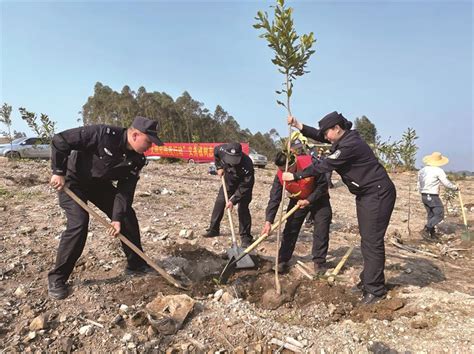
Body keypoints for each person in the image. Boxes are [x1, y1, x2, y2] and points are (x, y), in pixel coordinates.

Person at [283, 111, 396, 304]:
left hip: (376, 194)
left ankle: (375, 290)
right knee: (368, 239)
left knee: (372, 241)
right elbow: (320, 135)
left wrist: (296, 176)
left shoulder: (350, 145)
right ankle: (369, 280)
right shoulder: (344, 138)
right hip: (366, 194)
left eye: (327, 132)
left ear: (337, 128)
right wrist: (298, 125)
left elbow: (324, 165)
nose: (325, 137)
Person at [48, 116, 164, 300]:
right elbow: (60, 140)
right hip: (73, 181)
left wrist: (116, 218)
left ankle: (136, 264)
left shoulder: (137, 160)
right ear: (135, 135)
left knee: (127, 216)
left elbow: (125, 192)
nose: (150, 147)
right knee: (79, 223)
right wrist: (58, 171)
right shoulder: (102, 134)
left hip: (98, 185)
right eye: (148, 141)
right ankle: (58, 278)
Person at [262, 150, 332, 274]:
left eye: (286, 169)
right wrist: (268, 221)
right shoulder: (280, 175)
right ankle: (283, 260)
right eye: (281, 169)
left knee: (321, 229)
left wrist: (309, 200)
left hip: (319, 199)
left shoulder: (310, 164)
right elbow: (275, 197)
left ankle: (319, 262)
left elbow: (322, 186)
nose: (284, 172)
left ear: (293, 163)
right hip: (297, 201)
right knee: (290, 229)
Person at [203, 143, 255, 247]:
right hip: (229, 180)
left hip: (243, 185)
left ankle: (245, 237)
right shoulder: (221, 149)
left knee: (243, 208)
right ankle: (213, 229)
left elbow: (245, 186)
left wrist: (233, 200)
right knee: (220, 201)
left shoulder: (247, 164)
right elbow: (216, 153)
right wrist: (218, 167)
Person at [417, 152, 458, 241]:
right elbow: (446, 183)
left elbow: (419, 184)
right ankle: (427, 229)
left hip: (424, 195)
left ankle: (431, 234)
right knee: (439, 214)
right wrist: (455, 187)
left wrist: (421, 192)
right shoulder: (438, 171)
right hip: (432, 196)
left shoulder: (422, 170)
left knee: (431, 215)